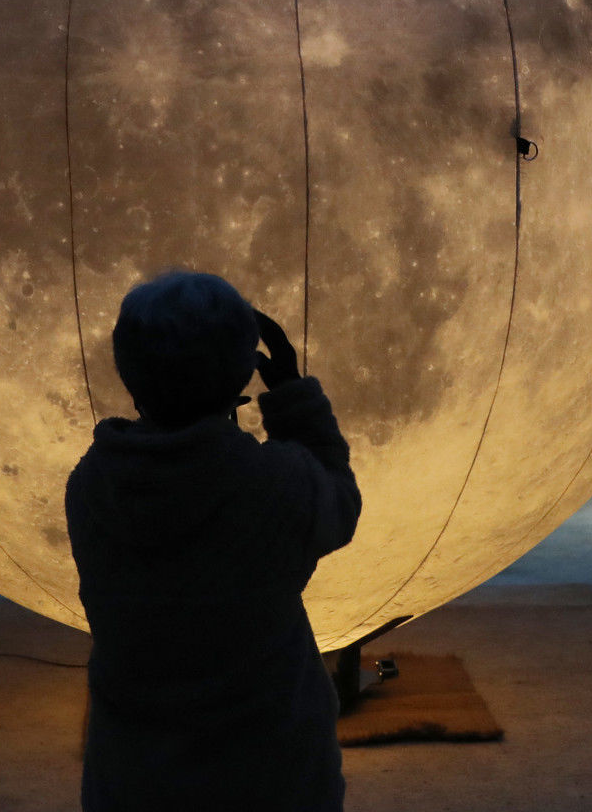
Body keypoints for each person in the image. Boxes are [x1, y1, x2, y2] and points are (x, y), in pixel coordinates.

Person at [66, 271, 361, 812]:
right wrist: (294, 398)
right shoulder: (273, 483)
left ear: (127, 372)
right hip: (270, 774)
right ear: (244, 371)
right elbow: (339, 505)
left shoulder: (91, 484)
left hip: (135, 775)